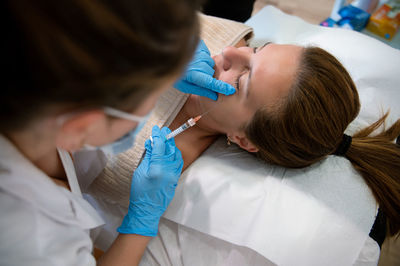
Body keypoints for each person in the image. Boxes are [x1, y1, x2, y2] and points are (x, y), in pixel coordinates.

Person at [90, 35, 400, 264]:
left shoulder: (153, 167)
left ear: (244, 139)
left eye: (240, 81)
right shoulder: (218, 41)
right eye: (255, 50)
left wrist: (141, 220)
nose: (228, 52)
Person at [1, 0, 238, 265]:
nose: (231, 51)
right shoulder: (30, 238)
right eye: (152, 96)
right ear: (80, 126)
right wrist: (141, 223)